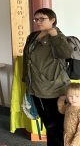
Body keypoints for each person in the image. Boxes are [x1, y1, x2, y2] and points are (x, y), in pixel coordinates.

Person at [23, 8, 73, 146]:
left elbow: (66, 53)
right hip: (35, 86)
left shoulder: (57, 35)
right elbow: (27, 59)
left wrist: (55, 35)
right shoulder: (33, 36)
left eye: (42, 19)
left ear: (52, 20)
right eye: (36, 19)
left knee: (55, 125)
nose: (38, 22)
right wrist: (26, 81)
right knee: (47, 123)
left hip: (53, 88)